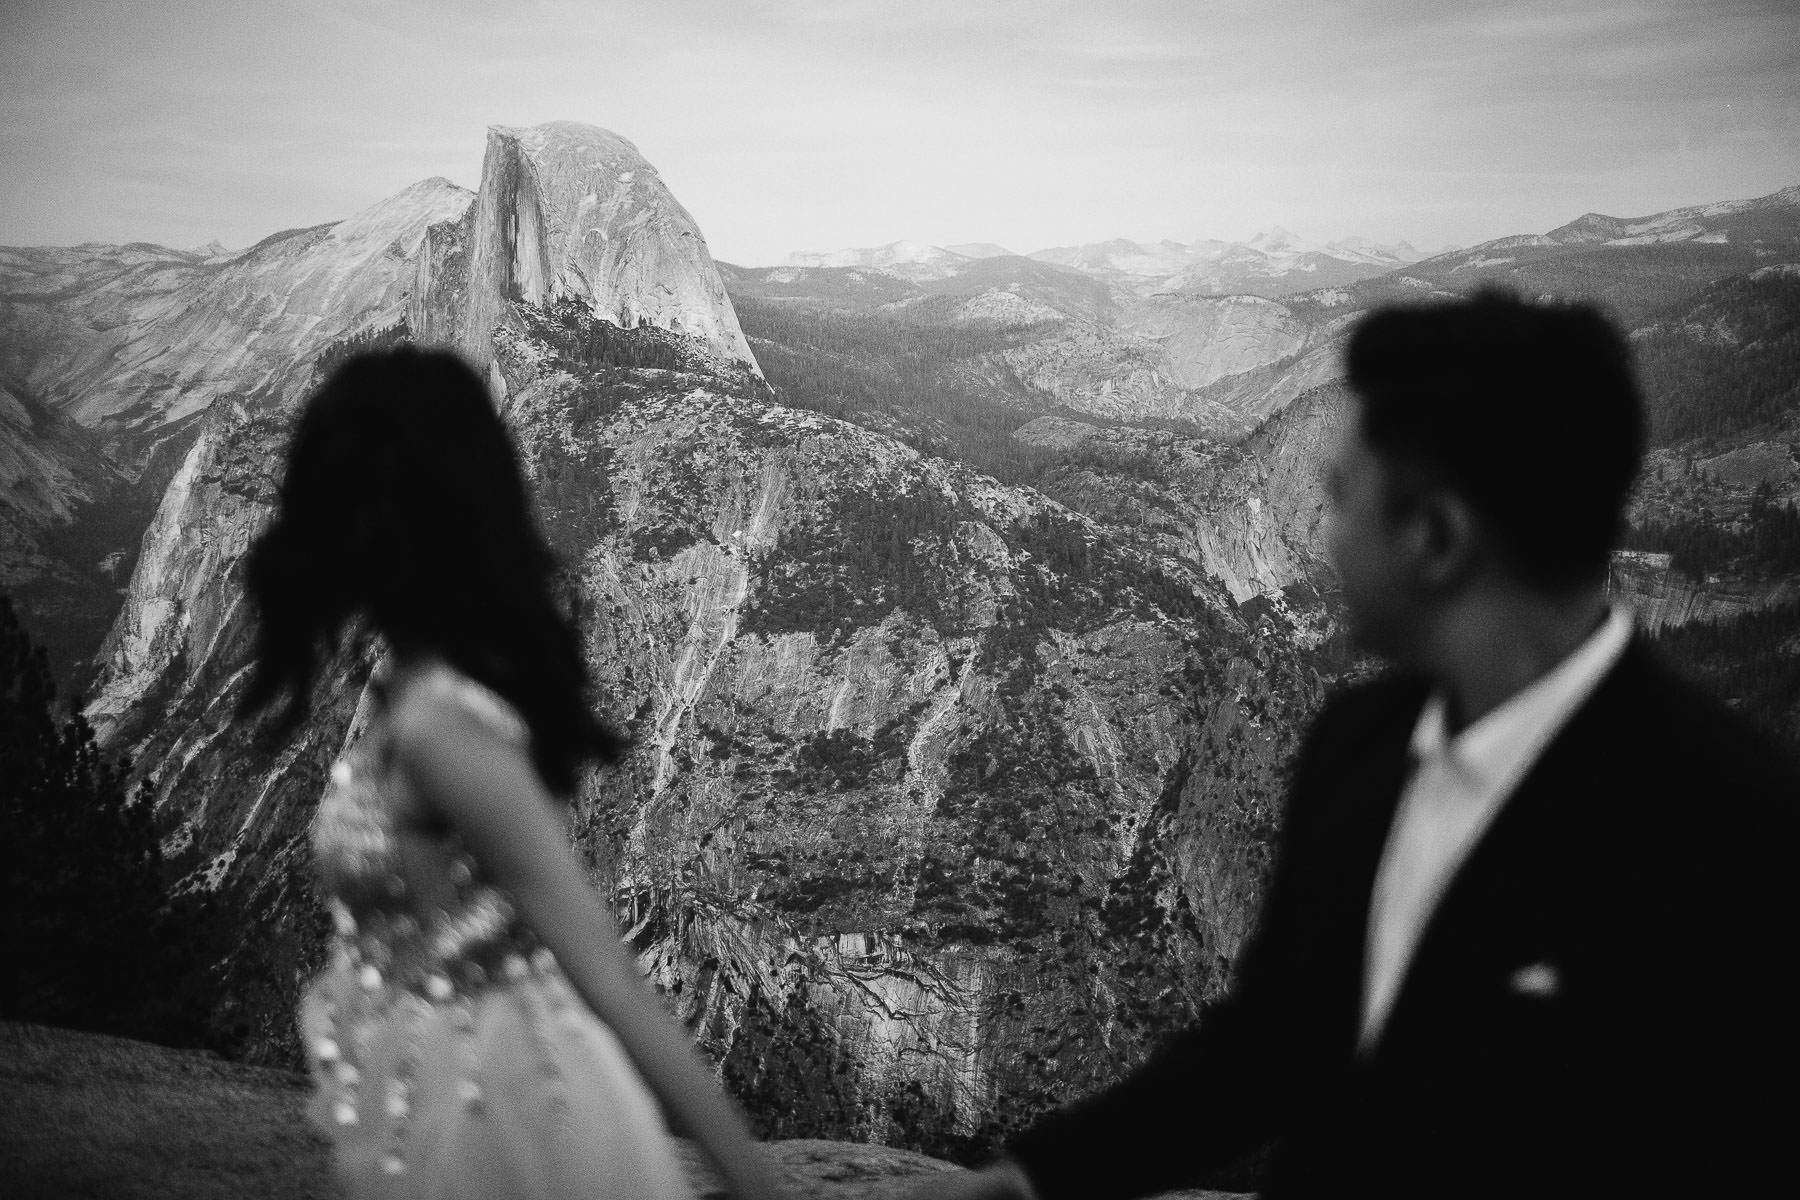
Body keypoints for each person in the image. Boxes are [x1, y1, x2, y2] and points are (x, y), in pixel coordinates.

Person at [910, 289, 1796, 1198]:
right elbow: (1276, 1044)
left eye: (1340, 498)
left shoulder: (1733, 833)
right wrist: (1040, 1177)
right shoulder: (1360, 741)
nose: (1322, 535)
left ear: (1436, 539)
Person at [243, 348, 785, 1200]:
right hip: (443, 1088)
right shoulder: (408, 686)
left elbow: (605, 971)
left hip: (507, 1116)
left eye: (326, 499)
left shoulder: (443, 728)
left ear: (381, 518)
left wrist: (758, 1186)